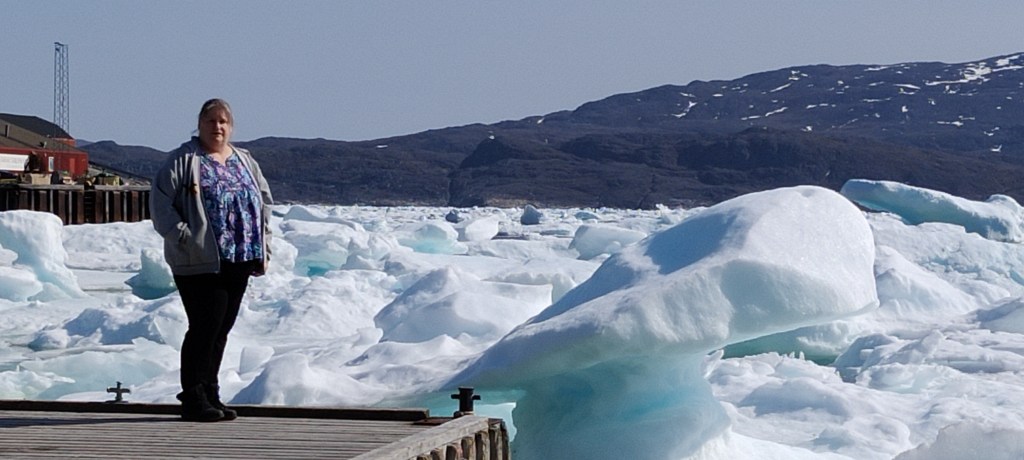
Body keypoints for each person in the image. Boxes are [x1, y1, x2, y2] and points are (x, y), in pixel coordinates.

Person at [150, 98, 273, 422]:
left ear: (230, 126)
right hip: (199, 258)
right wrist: (182, 236)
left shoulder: (245, 160)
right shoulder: (183, 161)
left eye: (223, 121)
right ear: (199, 124)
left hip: (239, 256)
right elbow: (160, 203)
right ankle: (193, 396)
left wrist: (264, 246)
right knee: (205, 325)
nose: (217, 127)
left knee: (220, 329)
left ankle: (211, 393)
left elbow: (263, 203)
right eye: (210, 121)